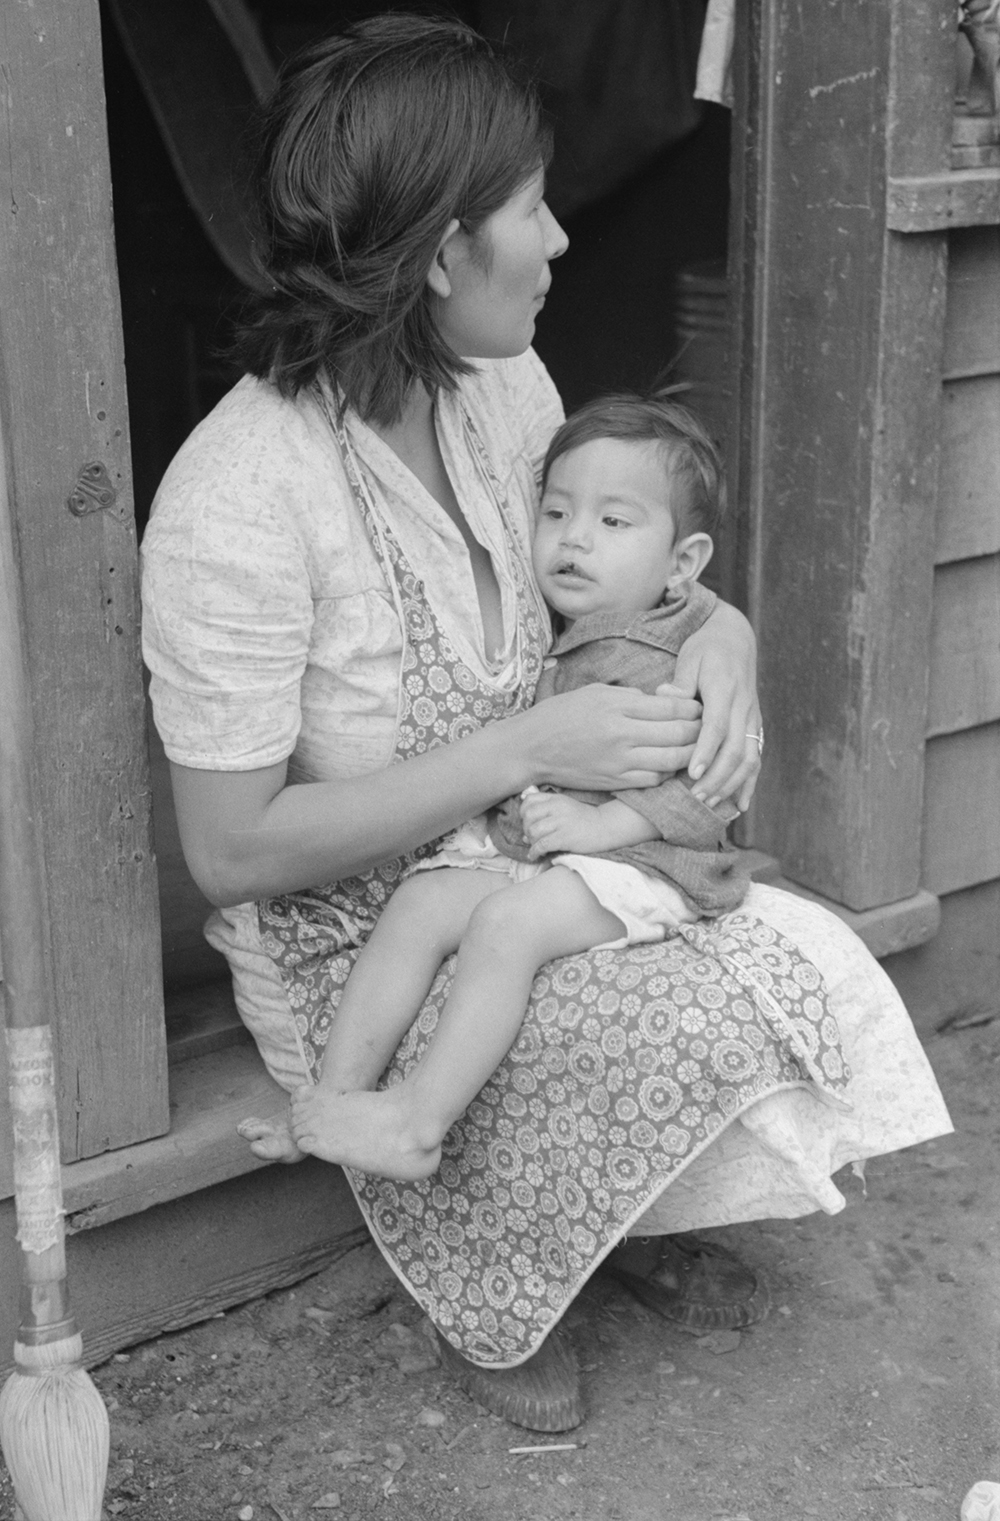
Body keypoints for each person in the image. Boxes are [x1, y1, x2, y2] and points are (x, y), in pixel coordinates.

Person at [141, 15, 952, 1434]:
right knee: (679, 1011)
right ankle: (496, 1275)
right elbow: (230, 850)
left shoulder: (504, 388)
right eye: (529, 208)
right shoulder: (239, 501)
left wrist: (734, 641)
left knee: (784, 948)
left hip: (526, 851)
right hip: (361, 941)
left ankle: (600, 1214)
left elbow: (617, 563)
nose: (561, 240)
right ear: (445, 253)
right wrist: (527, 753)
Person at [287, 392, 757, 1182]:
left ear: (682, 563)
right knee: (421, 902)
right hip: (552, 851)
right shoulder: (556, 615)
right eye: (557, 513)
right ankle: (334, 1096)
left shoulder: (686, 656)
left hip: (651, 867)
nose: (575, 539)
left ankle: (418, 1120)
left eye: (614, 523)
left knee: (506, 925)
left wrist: (598, 827)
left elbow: (713, 795)